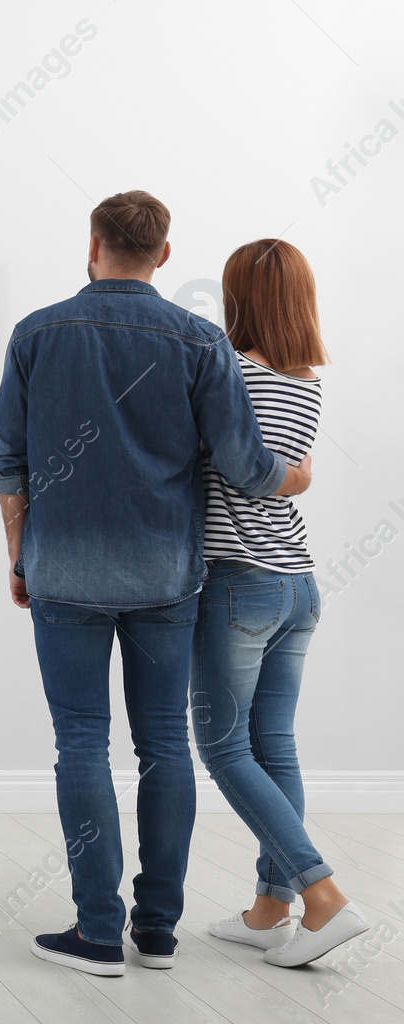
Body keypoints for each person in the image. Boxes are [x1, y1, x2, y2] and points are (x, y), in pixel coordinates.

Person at [0, 192, 311, 976]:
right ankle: (157, 933)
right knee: (166, 747)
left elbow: (10, 465)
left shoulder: (36, 332)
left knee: (80, 744)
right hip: (168, 577)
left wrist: (19, 554)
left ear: (92, 242)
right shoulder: (200, 341)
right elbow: (243, 461)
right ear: (164, 254)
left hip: (62, 568)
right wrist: (291, 478)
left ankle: (96, 933)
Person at [191, 239, 368, 966]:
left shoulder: (233, 372)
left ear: (240, 298)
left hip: (238, 582)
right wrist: (294, 480)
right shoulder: (307, 380)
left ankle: (321, 897)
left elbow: (232, 469)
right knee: (274, 745)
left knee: (225, 748)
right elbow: (285, 473)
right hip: (297, 583)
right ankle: (270, 910)